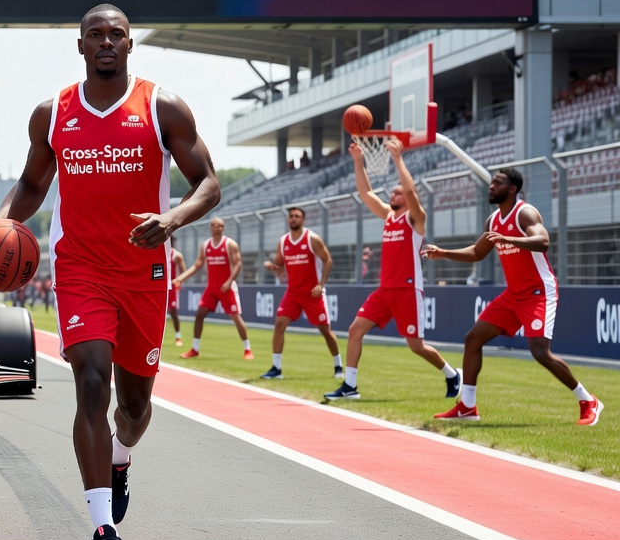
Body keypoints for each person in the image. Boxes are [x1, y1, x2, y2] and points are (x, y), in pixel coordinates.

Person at [0, 4, 219, 540]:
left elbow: (209, 183)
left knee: (133, 408)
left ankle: (120, 456)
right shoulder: (52, 112)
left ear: (131, 45)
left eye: (117, 35)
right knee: (89, 384)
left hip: (143, 272)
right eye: (96, 36)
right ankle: (106, 532)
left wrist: (173, 218)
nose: (106, 42)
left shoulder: (163, 106)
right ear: (80, 46)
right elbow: (33, 183)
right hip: (80, 269)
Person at [422, 169, 602, 425]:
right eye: (492, 182)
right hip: (513, 294)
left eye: (498, 183)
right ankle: (467, 407)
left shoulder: (525, 212)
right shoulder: (493, 220)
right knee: (473, 338)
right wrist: (443, 253)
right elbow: (476, 252)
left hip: (539, 291)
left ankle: (588, 400)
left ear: (513, 189)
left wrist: (509, 237)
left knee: (540, 352)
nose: (491, 186)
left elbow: (543, 240)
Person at [325, 138, 460, 401]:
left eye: (398, 193)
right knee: (355, 329)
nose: (393, 195)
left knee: (416, 346)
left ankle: (452, 374)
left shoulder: (415, 219)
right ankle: (350, 385)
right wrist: (358, 162)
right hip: (385, 290)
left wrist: (398, 159)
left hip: (408, 290)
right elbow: (366, 194)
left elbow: (411, 193)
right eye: (393, 193)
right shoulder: (389, 216)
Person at [259, 207, 343, 380]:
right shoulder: (283, 241)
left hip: (313, 293)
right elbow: (281, 267)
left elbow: (328, 260)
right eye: (291, 216)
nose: (293, 219)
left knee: (325, 330)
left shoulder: (312, 238)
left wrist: (321, 285)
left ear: (303, 219)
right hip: (293, 293)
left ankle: (338, 367)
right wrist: (273, 267)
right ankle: (276, 368)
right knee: (279, 324)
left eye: (297, 216)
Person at [173, 217, 253, 360]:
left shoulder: (230, 244)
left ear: (223, 228)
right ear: (210, 227)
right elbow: (197, 265)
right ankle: (195, 348)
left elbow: (238, 264)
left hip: (226, 288)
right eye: (213, 225)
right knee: (199, 315)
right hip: (211, 288)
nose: (216, 228)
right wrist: (180, 278)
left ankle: (247, 349)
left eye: (219, 226)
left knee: (236, 317)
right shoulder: (206, 245)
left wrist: (229, 282)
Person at [167, 237, 187, 346]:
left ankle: (178, 336)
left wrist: (179, 280)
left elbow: (184, 272)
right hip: (161, 288)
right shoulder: (157, 252)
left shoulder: (176, 255)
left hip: (172, 288)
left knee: (173, 312)